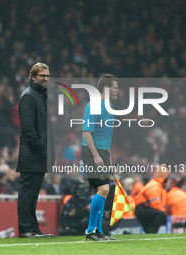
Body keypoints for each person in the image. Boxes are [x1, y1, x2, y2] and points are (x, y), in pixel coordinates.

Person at [16, 63, 54, 238]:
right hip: (32, 154)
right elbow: (27, 128)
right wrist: (41, 146)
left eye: (47, 75)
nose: (45, 78)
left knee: (33, 195)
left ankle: (33, 228)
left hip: (39, 154)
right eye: (41, 75)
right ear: (33, 77)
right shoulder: (29, 96)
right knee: (27, 193)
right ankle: (25, 229)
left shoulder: (39, 95)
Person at [81, 74, 119, 241]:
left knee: (102, 190)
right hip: (91, 151)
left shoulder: (109, 106)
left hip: (103, 152)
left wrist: (107, 154)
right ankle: (90, 231)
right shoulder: (94, 105)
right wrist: (96, 155)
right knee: (104, 189)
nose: (118, 90)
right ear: (106, 89)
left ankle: (98, 231)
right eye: (115, 87)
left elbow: (106, 133)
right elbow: (86, 132)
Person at [135, 165, 170, 233]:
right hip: (142, 210)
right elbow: (156, 205)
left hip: (142, 210)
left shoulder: (156, 185)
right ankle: (152, 234)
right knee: (160, 215)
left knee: (148, 231)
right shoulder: (155, 187)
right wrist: (164, 215)